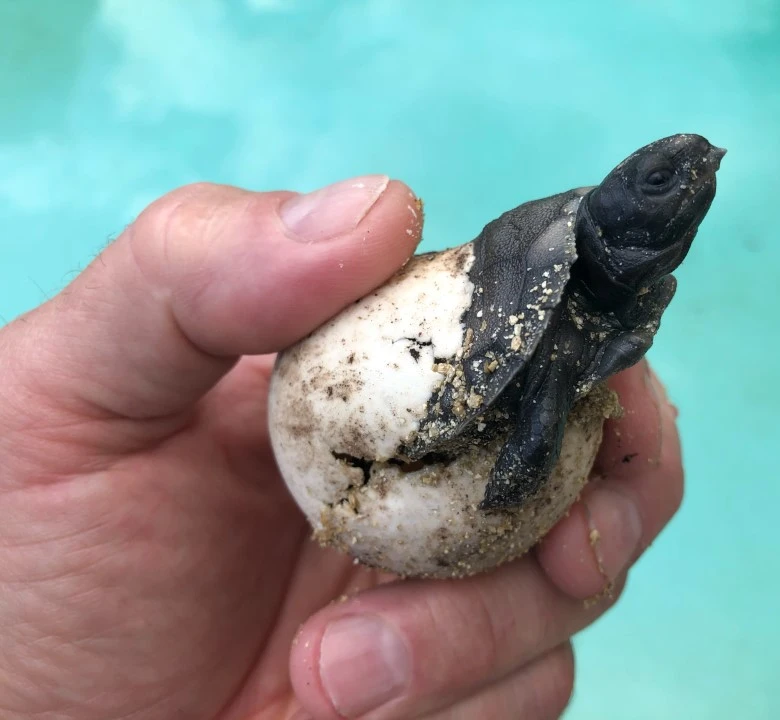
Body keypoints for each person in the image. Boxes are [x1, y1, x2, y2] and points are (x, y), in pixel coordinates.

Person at [0, 176, 684, 720]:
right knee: (531, 431)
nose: (693, 180)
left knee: (542, 421)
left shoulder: (609, 314)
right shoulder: (555, 248)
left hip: (520, 375)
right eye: (656, 184)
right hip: (447, 376)